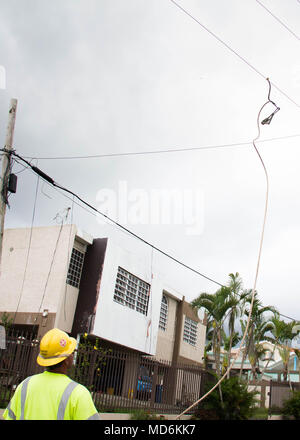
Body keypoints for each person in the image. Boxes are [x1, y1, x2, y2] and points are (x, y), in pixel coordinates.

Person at [3, 328, 100, 420]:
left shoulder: (25, 385)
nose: (72, 355)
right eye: (71, 352)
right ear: (66, 360)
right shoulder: (78, 393)